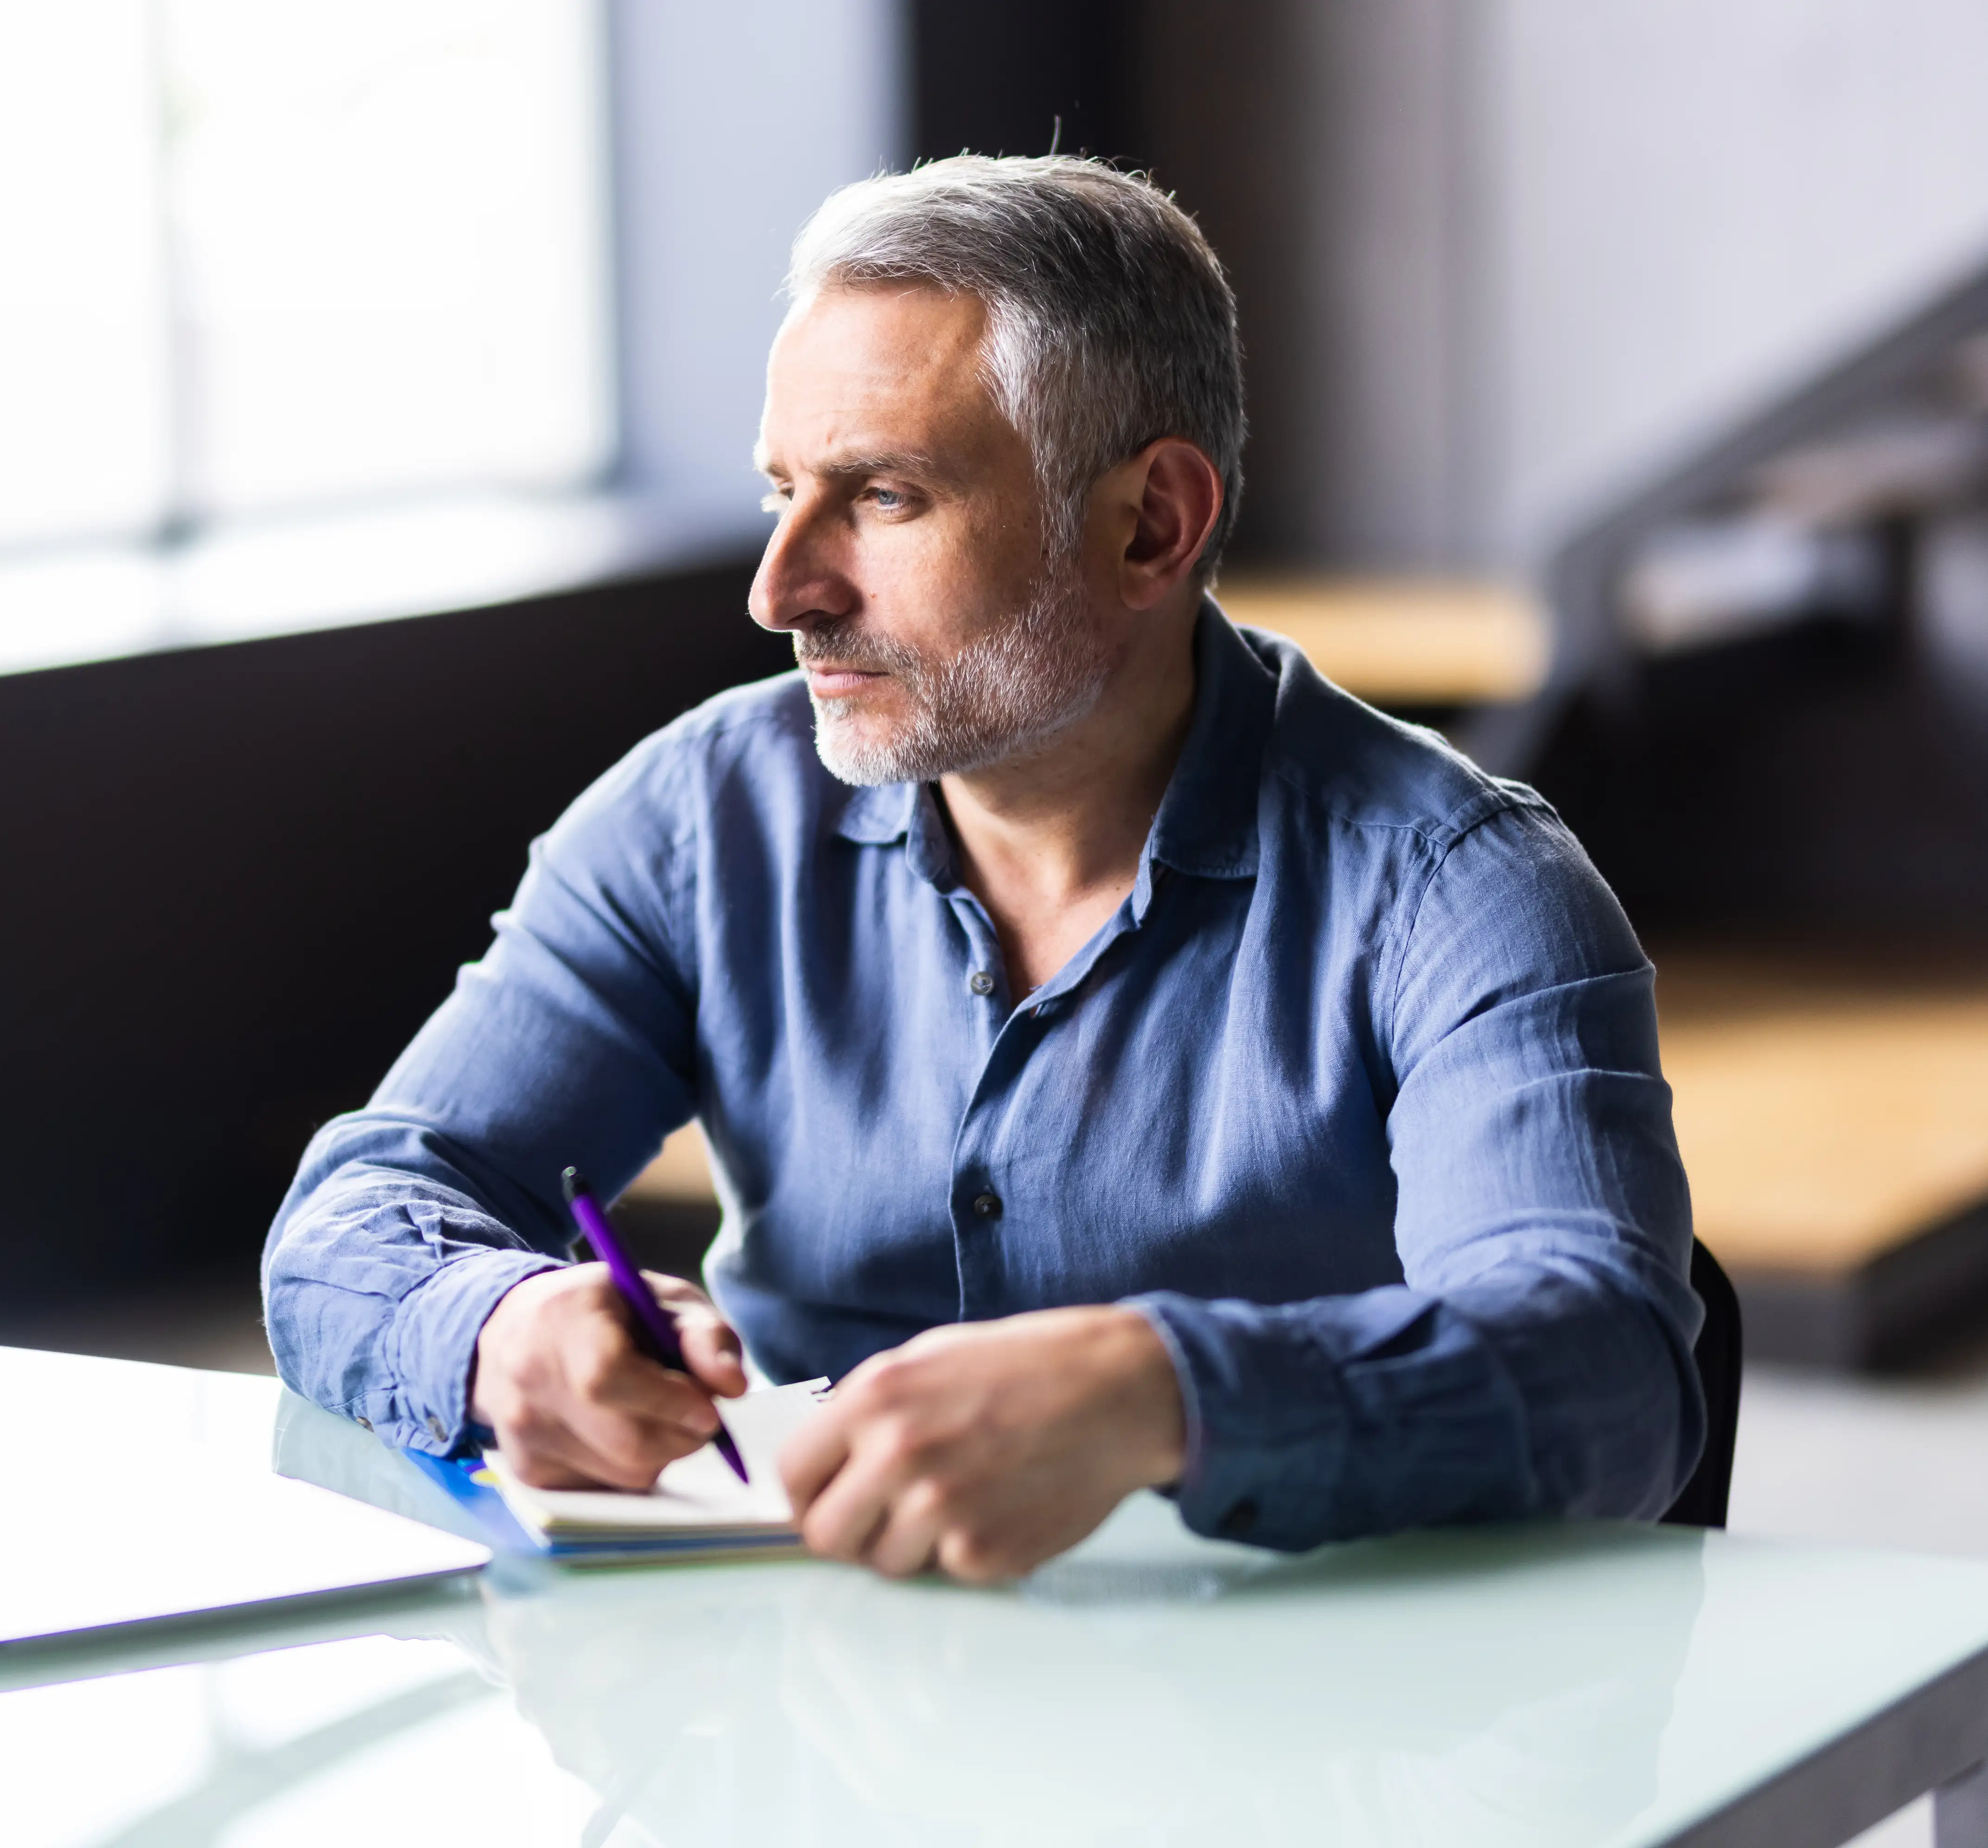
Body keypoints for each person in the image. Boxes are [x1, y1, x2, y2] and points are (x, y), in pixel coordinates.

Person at [263, 154, 1702, 1581]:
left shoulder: (1460, 887)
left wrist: (1162, 1394)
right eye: (781, 491)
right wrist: (499, 1322)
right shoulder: (703, 817)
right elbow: (361, 1209)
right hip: (815, 1711)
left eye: (883, 496)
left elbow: (1604, 1370)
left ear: (1150, 524)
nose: (781, 591)